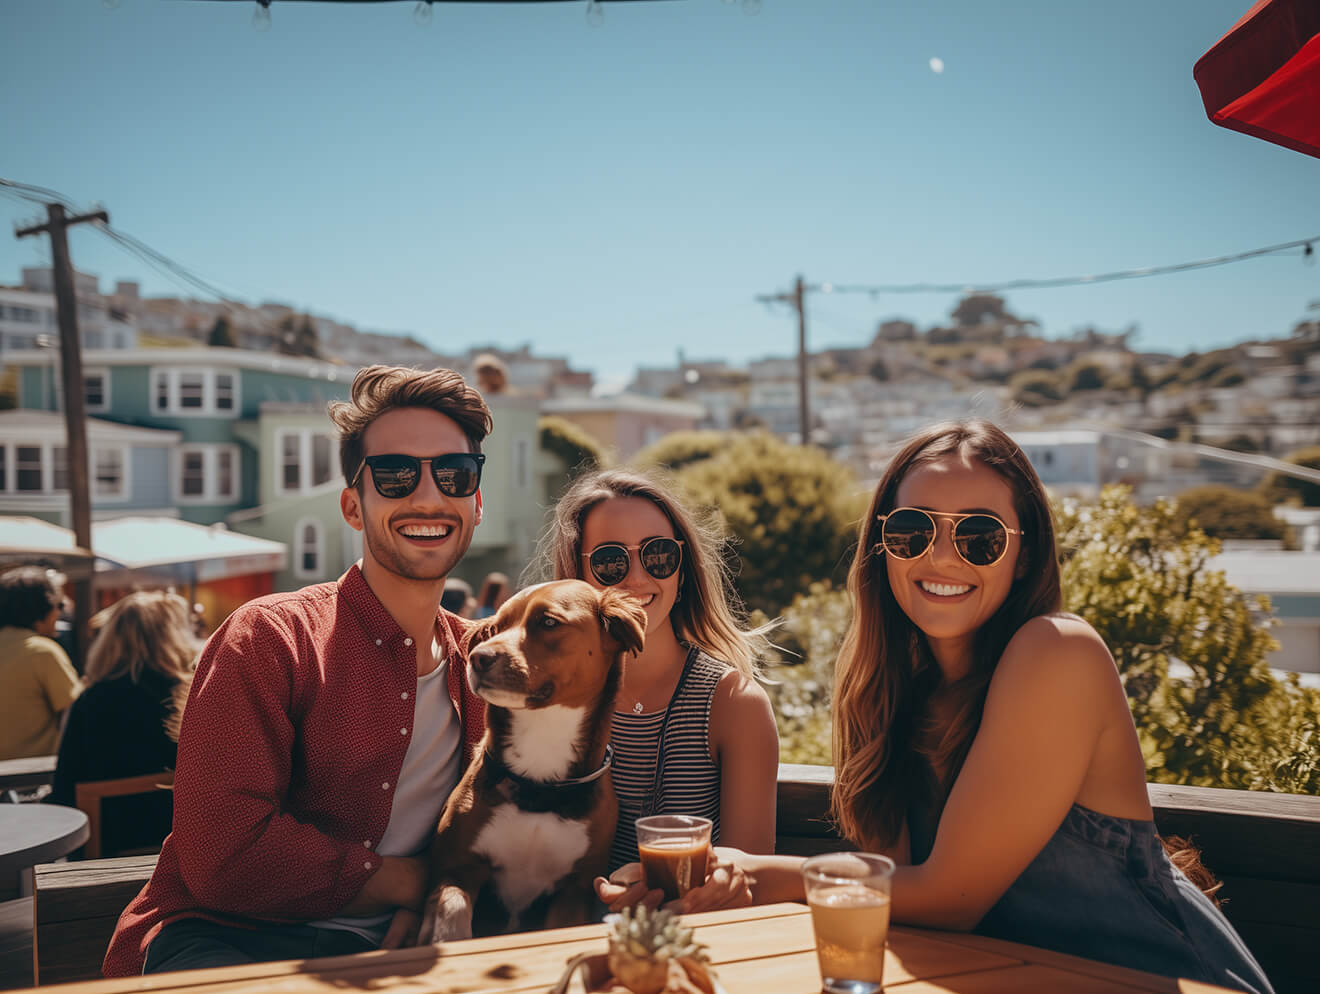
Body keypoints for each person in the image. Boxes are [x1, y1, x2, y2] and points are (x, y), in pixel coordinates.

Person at [664, 420, 1274, 993]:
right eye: (913, 530)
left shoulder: (1057, 651)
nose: (942, 556)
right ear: (883, 547)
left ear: (1025, 554)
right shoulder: (889, 693)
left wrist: (762, 874)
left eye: (978, 535)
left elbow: (951, 899)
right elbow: (897, 897)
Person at [103, 365, 493, 977]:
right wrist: (413, 882)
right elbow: (226, 858)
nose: (426, 496)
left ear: (477, 503)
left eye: (454, 474)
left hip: (395, 950)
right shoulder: (267, 638)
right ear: (352, 506)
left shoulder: (486, 665)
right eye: (394, 475)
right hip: (227, 937)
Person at [544, 468, 779, 905]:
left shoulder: (734, 704)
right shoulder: (550, 700)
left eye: (658, 556)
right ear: (578, 576)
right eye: (611, 561)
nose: (636, 578)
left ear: (682, 569)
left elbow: (748, 878)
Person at [48, 591, 198, 857]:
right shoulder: (192, 694)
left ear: (110, 639)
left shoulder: (90, 700)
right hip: (178, 836)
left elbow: (64, 787)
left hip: (105, 841)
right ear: (175, 636)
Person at [0, 566, 81, 761]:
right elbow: (76, 713)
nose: (59, 614)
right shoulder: (42, 651)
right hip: (33, 777)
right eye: (59, 605)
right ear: (43, 607)